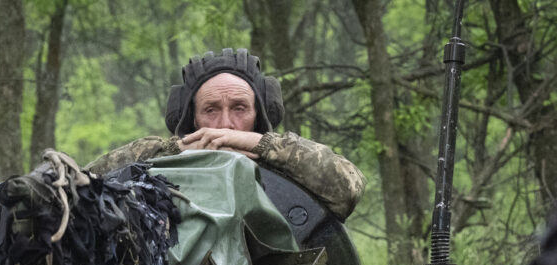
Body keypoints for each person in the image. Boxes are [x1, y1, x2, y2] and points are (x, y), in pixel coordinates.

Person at [84, 48, 365, 221]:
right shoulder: (163, 159)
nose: (225, 125)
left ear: (259, 113)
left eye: (240, 108)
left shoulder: (284, 160)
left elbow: (348, 188)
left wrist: (263, 145)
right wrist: (174, 153)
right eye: (211, 110)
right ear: (192, 117)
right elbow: (84, 184)